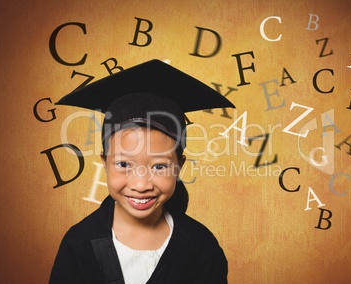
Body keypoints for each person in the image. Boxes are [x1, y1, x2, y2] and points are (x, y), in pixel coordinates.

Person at [49, 59, 235, 283]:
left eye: (159, 166)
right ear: (104, 162)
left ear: (179, 167)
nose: (141, 184)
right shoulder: (79, 244)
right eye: (124, 164)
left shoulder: (201, 247)